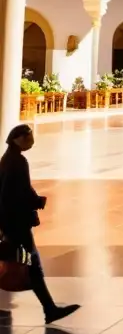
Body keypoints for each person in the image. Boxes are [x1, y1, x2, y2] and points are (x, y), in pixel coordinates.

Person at [0, 125, 79, 323]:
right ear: (18, 139)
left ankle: (49, 308)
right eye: (28, 137)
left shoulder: (9, 159)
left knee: (27, 263)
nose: (31, 141)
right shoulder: (16, 162)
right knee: (31, 263)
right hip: (16, 224)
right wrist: (35, 202)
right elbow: (15, 194)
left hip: (11, 223)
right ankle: (49, 309)